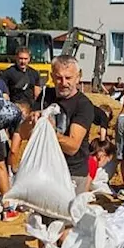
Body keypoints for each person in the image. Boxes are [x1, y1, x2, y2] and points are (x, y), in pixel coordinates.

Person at [49, 55, 96, 192]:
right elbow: (24, 133)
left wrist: (49, 131)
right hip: (46, 168)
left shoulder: (84, 105)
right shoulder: (45, 96)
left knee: (69, 213)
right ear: (52, 77)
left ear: (78, 77)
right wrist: (30, 121)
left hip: (72, 172)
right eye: (58, 77)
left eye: (68, 78)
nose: (63, 83)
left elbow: (72, 146)